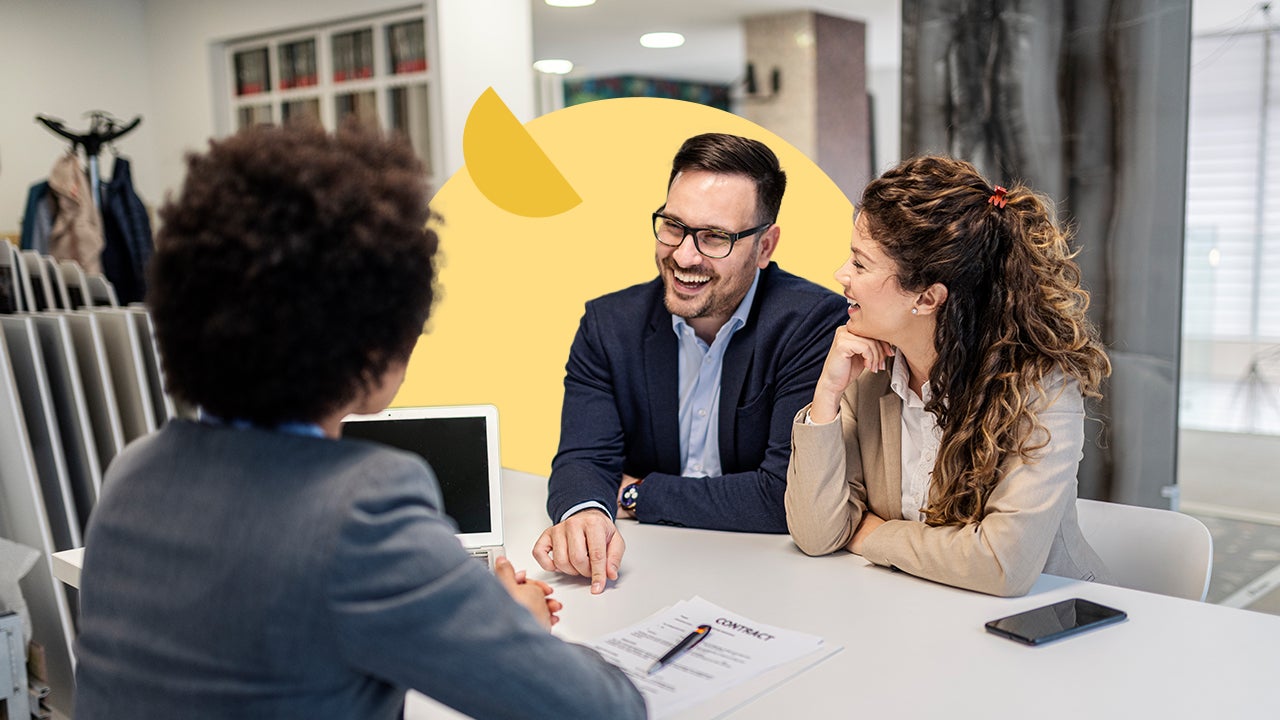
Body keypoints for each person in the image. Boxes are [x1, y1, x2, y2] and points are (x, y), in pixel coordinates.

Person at [73, 124, 645, 719]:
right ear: (376, 344)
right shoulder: (360, 509)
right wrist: (513, 623)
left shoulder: (132, 473)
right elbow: (605, 711)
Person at [785, 155, 1113, 598]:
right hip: (923, 611)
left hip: (1051, 618)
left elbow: (1002, 565)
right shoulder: (868, 371)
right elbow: (817, 534)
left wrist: (868, 535)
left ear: (927, 297)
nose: (841, 275)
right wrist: (826, 395)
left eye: (860, 264)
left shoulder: (1041, 388)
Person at [534, 132, 848, 593]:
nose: (683, 255)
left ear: (765, 247)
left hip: (777, 581)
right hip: (646, 575)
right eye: (673, 226)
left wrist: (635, 493)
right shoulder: (609, 325)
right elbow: (583, 459)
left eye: (715, 237)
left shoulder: (812, 324)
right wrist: (585, 512)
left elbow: (785, 497)